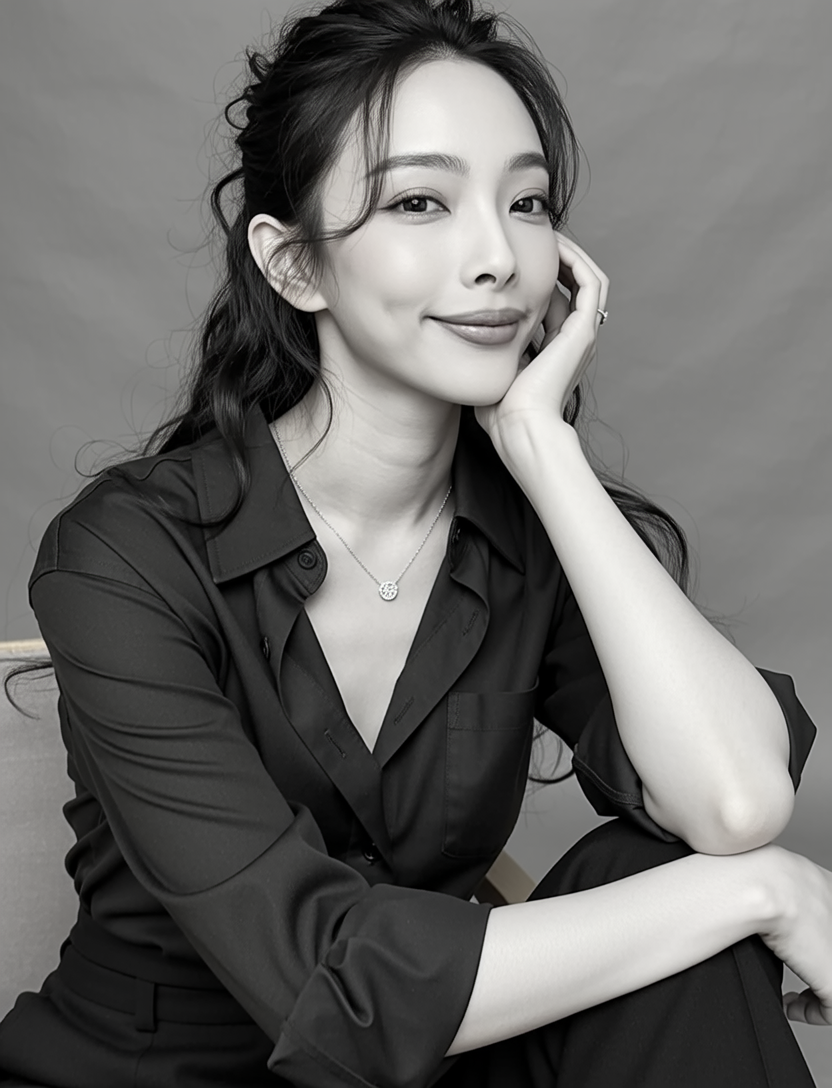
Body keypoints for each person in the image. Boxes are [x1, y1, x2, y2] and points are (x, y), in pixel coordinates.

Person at [1, 1, 829, 1085]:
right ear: (295, 266)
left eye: (526, 202)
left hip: (445, 1062)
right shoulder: (124, 555)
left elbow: (734, 805)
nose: (496, 255)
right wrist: (759, 890)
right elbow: (319, 981)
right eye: (420, 202)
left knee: (656, 866)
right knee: (697, 900)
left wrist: (543, 449)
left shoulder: (535, 533)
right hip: (164, 1075)